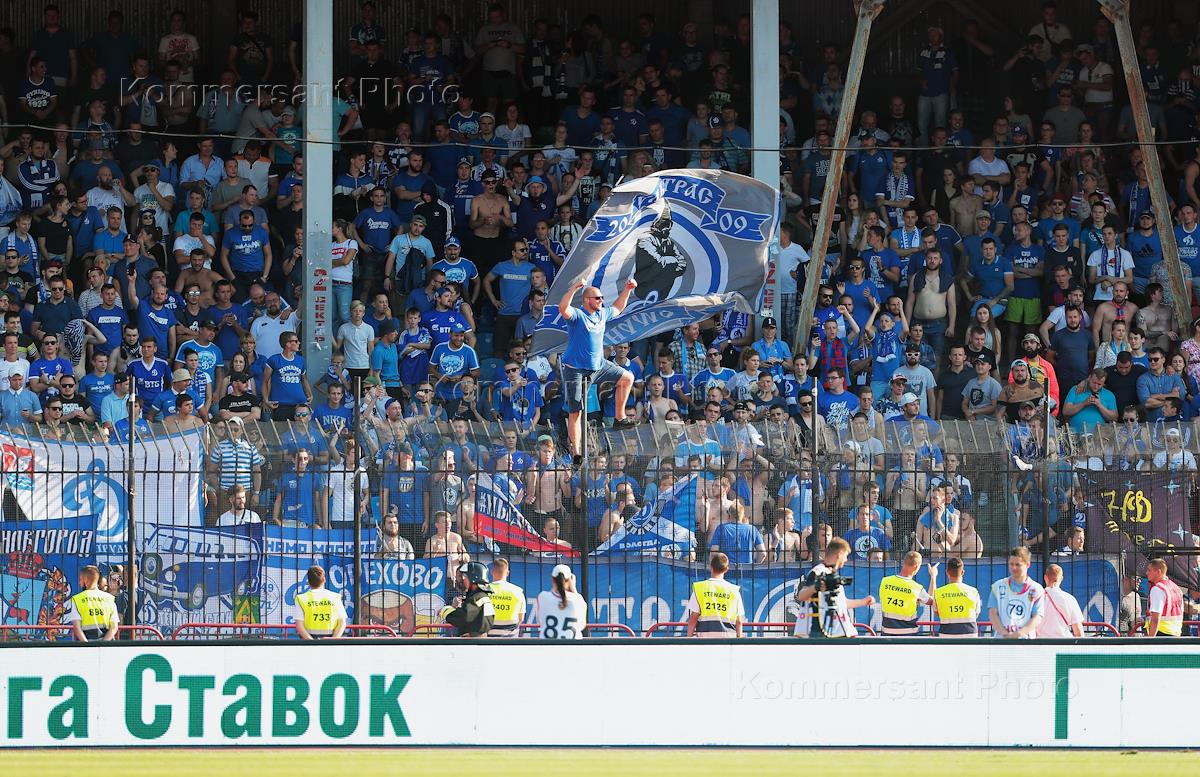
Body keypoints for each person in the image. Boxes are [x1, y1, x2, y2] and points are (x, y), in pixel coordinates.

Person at [558, 278, 638, 458]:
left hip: (598, 366)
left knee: (627, 378)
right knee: (575, 411)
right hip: (576, 369)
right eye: (597, 298)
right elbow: (563, 308)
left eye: (602, 297)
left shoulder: (601, 313)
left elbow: (618, 307)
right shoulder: (578, 315)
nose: (601, 300)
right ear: (587, 300)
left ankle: (620, 417)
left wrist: (627, 289)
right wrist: (574, 288)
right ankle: (576, 452)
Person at [792, 537, 874, 638]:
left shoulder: (832, 575)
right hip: (818, 630)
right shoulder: (818, 572)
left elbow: (841, 603)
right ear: (839, 554)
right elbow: (801, 596)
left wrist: (863, 602)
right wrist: (816, 587)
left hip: (836, 631)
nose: (846, 560)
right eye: (846, 556)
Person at [685, 551, 747, 638]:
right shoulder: (734, 591)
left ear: (711, 567)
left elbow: (693, 619)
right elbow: (739, 621)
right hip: (728, 640)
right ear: (726, 569)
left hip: (704, 640)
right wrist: (739, 640)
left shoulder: (700, 588)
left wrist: (688, 639)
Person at [988, 546, 1045, 639]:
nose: (1013, 568)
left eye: (1018, 565)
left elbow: (1037, 617)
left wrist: (1018, 634)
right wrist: (1005, 634)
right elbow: (993, 614)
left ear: (1027, 565)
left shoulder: (1036, 589)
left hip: (1026, 641)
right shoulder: (998, 586)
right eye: (1011, 564)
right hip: (1002, 641)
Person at [879, 551, 938, 636]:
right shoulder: (916, 588)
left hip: (887, 634)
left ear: (904, 562)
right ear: (916, 566)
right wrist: (933, 576)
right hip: (908, 635)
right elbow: (933, 601)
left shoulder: (885, 581)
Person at [62, 564, 119, 642]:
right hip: (106, 646)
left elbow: (77, 627)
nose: (79, 582)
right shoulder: (109, 599)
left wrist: (88, 645)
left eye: (80, 579)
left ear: (86, 579)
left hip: (86, 645)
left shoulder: (77, 599)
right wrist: (103, 644)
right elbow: (114, 627)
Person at [441, 562, 495, 637]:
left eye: (465, 577)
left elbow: (462, 618)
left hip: (473, 641)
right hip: (477, 639)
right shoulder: (482, 596)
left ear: (473, 579)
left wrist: (445, 611)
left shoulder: (477, 597)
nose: (463, 580)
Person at [293, 565, 347, 640]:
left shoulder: (301, 599)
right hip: (330, 642)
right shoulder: (335, 597)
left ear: (308, 581)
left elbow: (299, 625)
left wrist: (312, 643)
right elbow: (342, 623)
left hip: (309, 643)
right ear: (324, 579)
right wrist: (333, 641)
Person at [535, 564, 587, 640]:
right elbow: (582, 625)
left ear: (552, 579)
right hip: (572, 646)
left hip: (548, 646)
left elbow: (540, 622)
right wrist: (573, 589)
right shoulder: (578, 599)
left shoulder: (543, 597)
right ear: (570, 580)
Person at [933, 557, 981, 636]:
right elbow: (976, 614)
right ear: (962, 572)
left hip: (946, 634)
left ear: (947, 572)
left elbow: (937, 612)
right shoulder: (973, 591)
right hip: (970, 635)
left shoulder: (938, 592)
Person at [1037, 563, 1085, 638]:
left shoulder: (1037, 597)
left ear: (1045, 577)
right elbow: (1078, 629)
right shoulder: (1069, 599)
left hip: (1040, 641)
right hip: (1063, 641)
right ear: (1061, 578)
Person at [486, 557, 526, 638]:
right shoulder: (518, 591)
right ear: (507, 573)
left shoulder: (484, 590)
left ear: (492, 571)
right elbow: (521, 618)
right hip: (510, 639)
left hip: (488, 638)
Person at [1145, 557, 1183, 637]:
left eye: (1149, 570)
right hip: (1175, 633)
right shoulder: (1176, 588)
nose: (1146, 573)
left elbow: (1156, 618)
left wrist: (1150, 639)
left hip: (1161, 633)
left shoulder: (1157, 589)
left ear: (1158, 572)